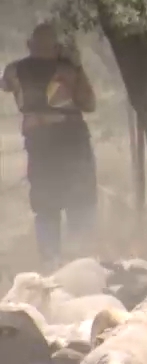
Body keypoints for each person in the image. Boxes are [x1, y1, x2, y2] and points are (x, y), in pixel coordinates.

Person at [1, 23, 97, 269]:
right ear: (57, 47)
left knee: (46, 204)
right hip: (71, 140)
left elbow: (5, 84)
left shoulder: (14, 70)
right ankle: (81, 259)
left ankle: (51, 260)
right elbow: (89, 103)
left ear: (29, 45)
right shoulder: (68, 70)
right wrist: (75, 65)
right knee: (79, 199)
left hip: (40, 142)